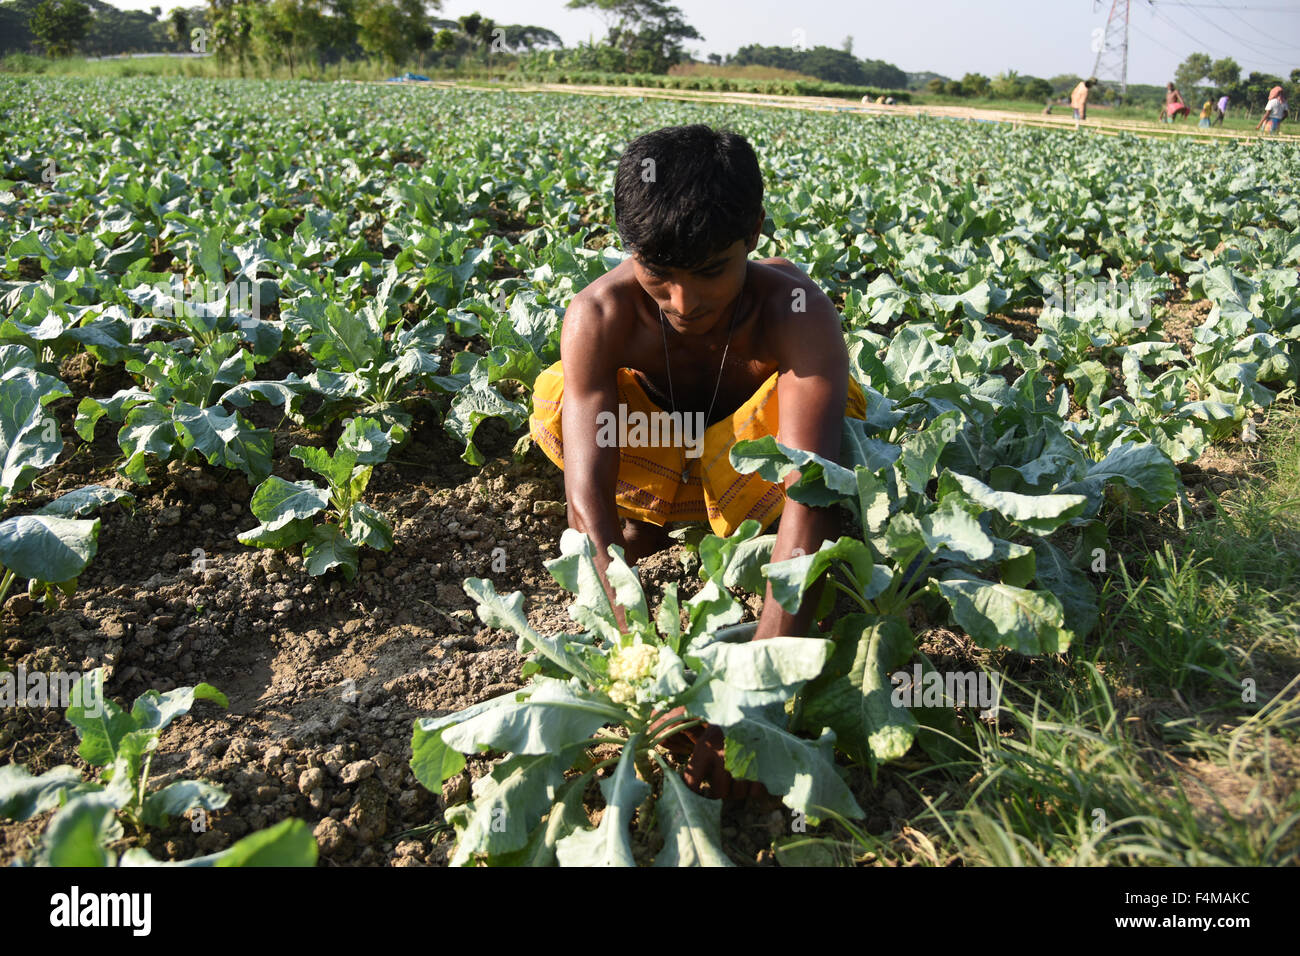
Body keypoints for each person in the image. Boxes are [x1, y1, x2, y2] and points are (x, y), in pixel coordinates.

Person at [528, 125, 866, 796]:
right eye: (659, 277)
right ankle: (659, 521)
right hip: (652, 459)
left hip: (747, 473)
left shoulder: (794, 311)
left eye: (712, 271)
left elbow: (809, 493)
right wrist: (638, 663)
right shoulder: (600, 313)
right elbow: (586, 504)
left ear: (755, 236)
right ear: (628, 250)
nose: (685, 303)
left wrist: (754, 693)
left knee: (840, 451)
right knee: (558, 400)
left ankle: (711, 536)